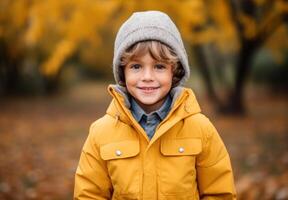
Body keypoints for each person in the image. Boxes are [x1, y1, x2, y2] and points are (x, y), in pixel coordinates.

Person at [74, 10, 236, 200]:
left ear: (174, 71)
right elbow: (89, 195)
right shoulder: (101, 133)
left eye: (159, 66)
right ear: (122, 72)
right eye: (136, 66)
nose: (147, 77)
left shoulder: (200, 129)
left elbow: (219, 193)